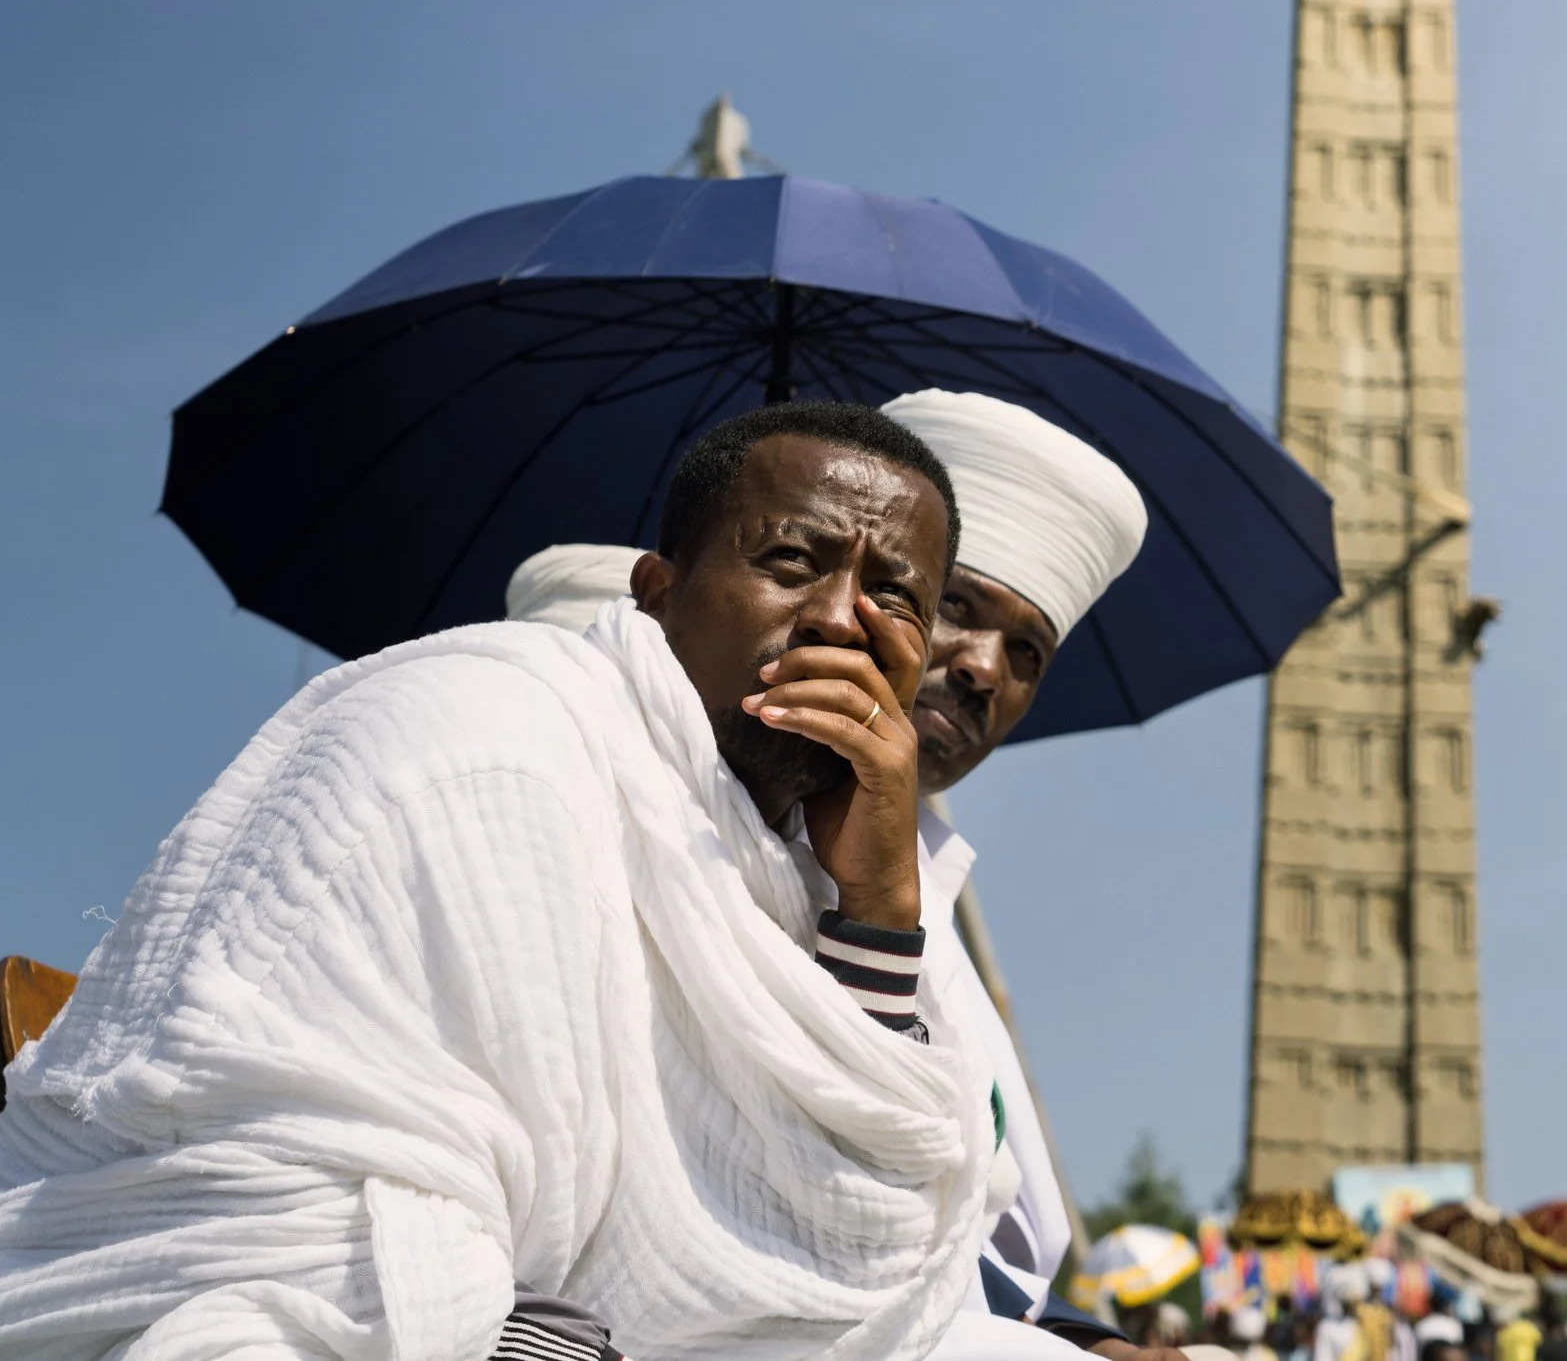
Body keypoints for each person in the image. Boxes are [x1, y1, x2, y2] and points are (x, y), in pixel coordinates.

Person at [0, 400, 1088, 1360]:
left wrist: (883, 908)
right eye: (791, 561)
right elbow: (268, 1195)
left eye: (896, 595)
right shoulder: (484, 736)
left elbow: (855, 1256)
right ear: (655, 591)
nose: (843, 617)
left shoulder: (817, 857)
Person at [497, 390, 1160, 1361]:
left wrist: (1068, 1333)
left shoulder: (912, 875)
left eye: (1025, 651)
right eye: (957, 609)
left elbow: (913, 1204)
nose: (979, 668)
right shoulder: (647, 806)